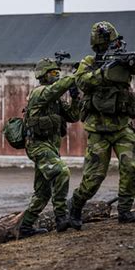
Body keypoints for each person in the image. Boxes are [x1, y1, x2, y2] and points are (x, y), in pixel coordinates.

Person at [69, 21, 135, 230]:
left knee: (130, 167)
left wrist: (129, 60)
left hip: (121, 127)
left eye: (112, 44)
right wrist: (104, 71)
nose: (109, 48)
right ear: (98, 46)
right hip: (98, 130)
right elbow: (82, 82)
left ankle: (125, 211)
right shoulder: (89, 62)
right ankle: (74, 207)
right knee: (94, 177)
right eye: (106, 45)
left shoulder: (122, 58)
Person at [19, 58, 80, 238]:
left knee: (43, 192)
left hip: (50, 147)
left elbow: (74, 116)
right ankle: (61, 217)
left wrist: (75, 97)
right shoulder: (39, 93)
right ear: (43, 75)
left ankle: (25, 227)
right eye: (53, 73)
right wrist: (77, 75)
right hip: (37, 146)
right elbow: (56, 88)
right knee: (62, 172)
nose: (57, 75)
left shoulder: (56, 99)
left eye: (58, 73)